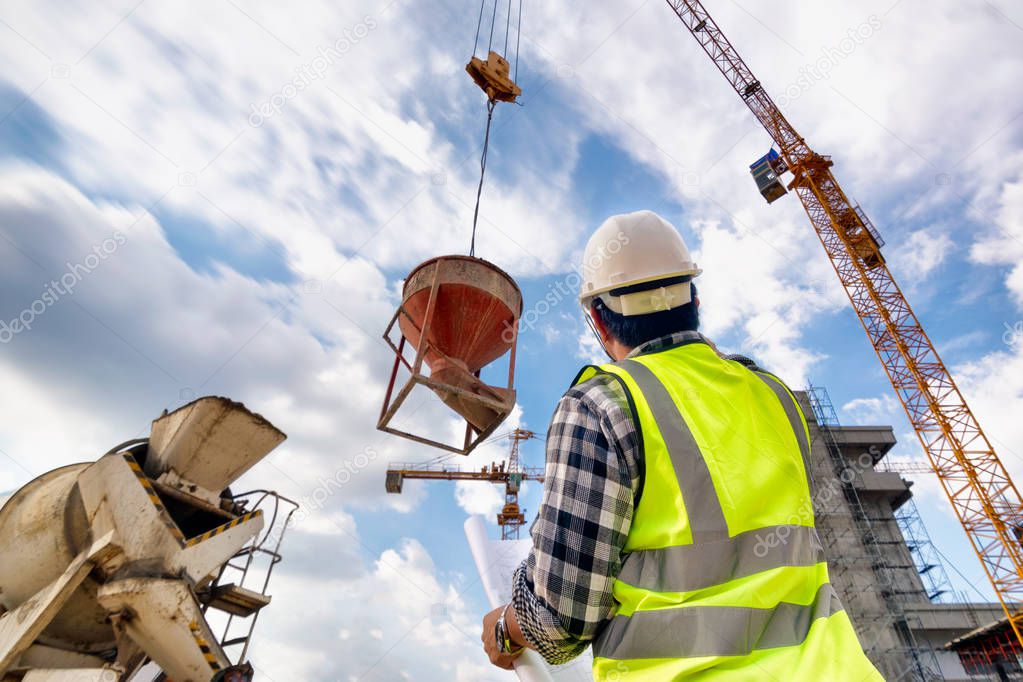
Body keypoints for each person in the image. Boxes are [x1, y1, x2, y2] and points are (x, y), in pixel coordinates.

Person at [481, 210, 881, 680]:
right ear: (695, 297)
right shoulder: (772, 395)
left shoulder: (601, 404)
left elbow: (560, 618)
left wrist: (507, 628)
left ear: (597, 320)